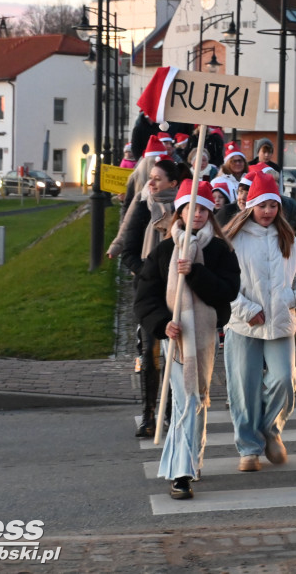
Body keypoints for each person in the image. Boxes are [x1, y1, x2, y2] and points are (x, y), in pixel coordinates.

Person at [134, 180, 240, 500]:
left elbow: (228, 292)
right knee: (186, 401)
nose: (197, 214)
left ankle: (192, 458)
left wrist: (194, 272)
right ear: (179, 211)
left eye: (204, 209)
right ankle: (180, 473)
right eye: (190, 208)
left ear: (211, 213)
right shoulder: (163, 250)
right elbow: (144, 298)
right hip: (176, 339)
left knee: (197, 399)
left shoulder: (221, 250)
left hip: (206, 336)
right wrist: (162, 324)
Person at [223, 172, 296, 472]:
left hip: (280, 323)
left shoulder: (286, 236)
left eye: (272, 206)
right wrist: (246, 309)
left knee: (284, 381)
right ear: (250, 206)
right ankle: (249, 448)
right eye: (261, 205)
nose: (267, 212)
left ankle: (270, 429)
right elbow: (223, 282)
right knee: (244, 388)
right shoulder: (233, 238)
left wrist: (291, 299)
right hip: (243, 325)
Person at [118, 157, 182, 438]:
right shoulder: (143, 207)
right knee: (150, 353)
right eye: (150, 178)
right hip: (148, 293)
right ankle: (148, 415)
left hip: (179, 291)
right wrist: (150, 275)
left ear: (173, 183)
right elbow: (129, 251)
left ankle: (170, 412)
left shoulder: (183, 209)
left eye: (157, 178)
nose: (151, 183)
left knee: (173, 355)